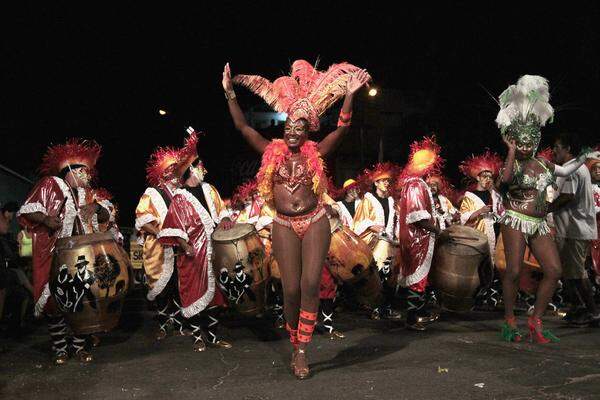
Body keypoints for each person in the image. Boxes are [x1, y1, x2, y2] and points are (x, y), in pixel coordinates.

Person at [224, 59, 370, 379]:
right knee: (290, 290)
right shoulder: (270, 150)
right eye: (288, 126)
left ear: (307, 131)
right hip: (284, 224)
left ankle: (302, 350)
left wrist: (349, 94)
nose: (292, 130)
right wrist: (230, 94)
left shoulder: (317, 152)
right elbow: (243, 128)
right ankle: (295, 340)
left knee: (309, 284)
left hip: (314, 219)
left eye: (299, 127)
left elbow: (343, 127)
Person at [495, 75, 598, 343]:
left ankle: (535, 321)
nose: (527, 146)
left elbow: (565, 169)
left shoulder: (543, 164)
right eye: (522, 141)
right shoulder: (512, 163)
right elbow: (503, 183)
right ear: (514, 139)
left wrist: (584, 157)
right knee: (514, 272)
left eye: (531, 141)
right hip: (515, 218)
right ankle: (509, 321)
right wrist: (509, 152)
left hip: (540, 222)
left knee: (554, 270)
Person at [17, 139, 110, 363]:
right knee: (55, 303)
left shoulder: (88, 194)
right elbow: (29, 210)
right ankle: (60, 347)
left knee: (81, 301)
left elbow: (106, 216)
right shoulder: (50, 184)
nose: (88, 175)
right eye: (83, 171)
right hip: (53, 253)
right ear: (70, 170)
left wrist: (96, 207)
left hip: (81, 256)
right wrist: (47, 219)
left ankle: (78, 347)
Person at [158, 131, 234, 352]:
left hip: (214, 252)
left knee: (215, 297)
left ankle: (211, 336)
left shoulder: (210, 190)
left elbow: (223, 211)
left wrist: (227, 218)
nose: (205, 170)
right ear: (192, 169)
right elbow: (173, 226)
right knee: (193, 295)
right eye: (202, 166)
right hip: (192, 256)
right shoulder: (180, 198)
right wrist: (185, 246)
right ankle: (197, 337)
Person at [395, 137, 448, 331]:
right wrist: (438, 230)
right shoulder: (416, 184)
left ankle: (419, 312)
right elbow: (417, 217)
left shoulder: (414, 183)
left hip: (418, 238)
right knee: (418, 279)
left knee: (420, 279)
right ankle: (412, 317)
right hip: (417, 239)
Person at [135, 142, 184, 340]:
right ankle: (164, 323)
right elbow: (142, 218)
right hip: (159, 248)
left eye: (176, 170)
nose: (175, 174)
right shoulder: (152, 194)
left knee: (179, 286)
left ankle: (180, 321)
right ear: (163, 174)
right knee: (162, 288)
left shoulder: (182, 194)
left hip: (179, 246)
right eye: (171, 170)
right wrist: (160, 232)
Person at [550, 134, 599, 326]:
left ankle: (593, 312)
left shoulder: (572, 170)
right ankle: (578, 307)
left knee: (578, 273)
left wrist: (547, 208)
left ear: (568, 148)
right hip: (571, 228)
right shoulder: (573, 168)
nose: (554, 151)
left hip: (575, 229)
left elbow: (567, 196)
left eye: (557, 147)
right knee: (570, 272)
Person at [459, 151, 504, 263]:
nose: (488, 179)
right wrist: (480, 211)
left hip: (494, 235)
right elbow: (463, 218)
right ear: (478, 178)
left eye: (490, 177)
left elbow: (502, 213)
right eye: (485, 176)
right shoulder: (469, 196)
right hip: (477, 237)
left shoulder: (494, 195)